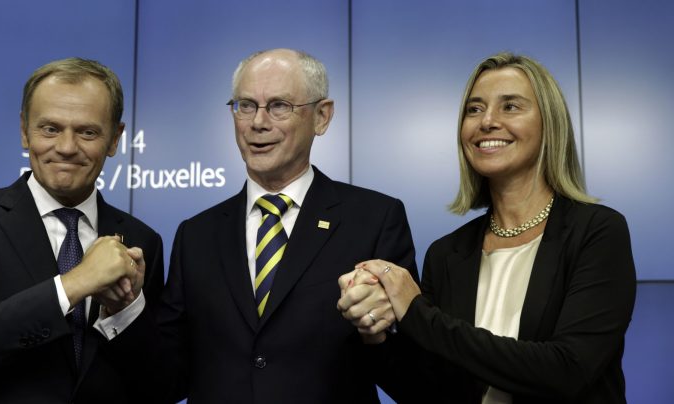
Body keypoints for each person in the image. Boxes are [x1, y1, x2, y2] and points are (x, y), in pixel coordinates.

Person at [338, 52, 636, 403]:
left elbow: (567, 370)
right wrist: (375, 331)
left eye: (510, 106)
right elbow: (426, 391)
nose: (487, 122)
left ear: (549, 125)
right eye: (474, 109)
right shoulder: (447, 252)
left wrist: (416, 311)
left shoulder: (598, 231)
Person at [130, 48, 417, 403]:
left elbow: (411, 379)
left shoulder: (375, 219)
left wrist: (377, 330)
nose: (257, 122)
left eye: (279, 105)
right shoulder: (196, 235)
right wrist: (126, 309)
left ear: (322, 117)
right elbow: (167, 380)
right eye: (245, 105)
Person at [0, 57, 164, 404]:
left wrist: (126, 311)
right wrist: (74, 285)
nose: (66, 147)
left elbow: (158, 386)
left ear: (115, 139)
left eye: (87, 132)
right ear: (24, 130)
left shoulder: (141, 241)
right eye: (50, 129)